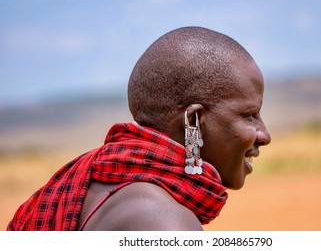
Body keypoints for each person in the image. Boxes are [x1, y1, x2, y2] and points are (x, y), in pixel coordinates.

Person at [7, 26, 271, 231]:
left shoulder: (101, 180)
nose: (264, 135)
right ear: (193, 122)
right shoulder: (162, 223)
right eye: (249, 115)